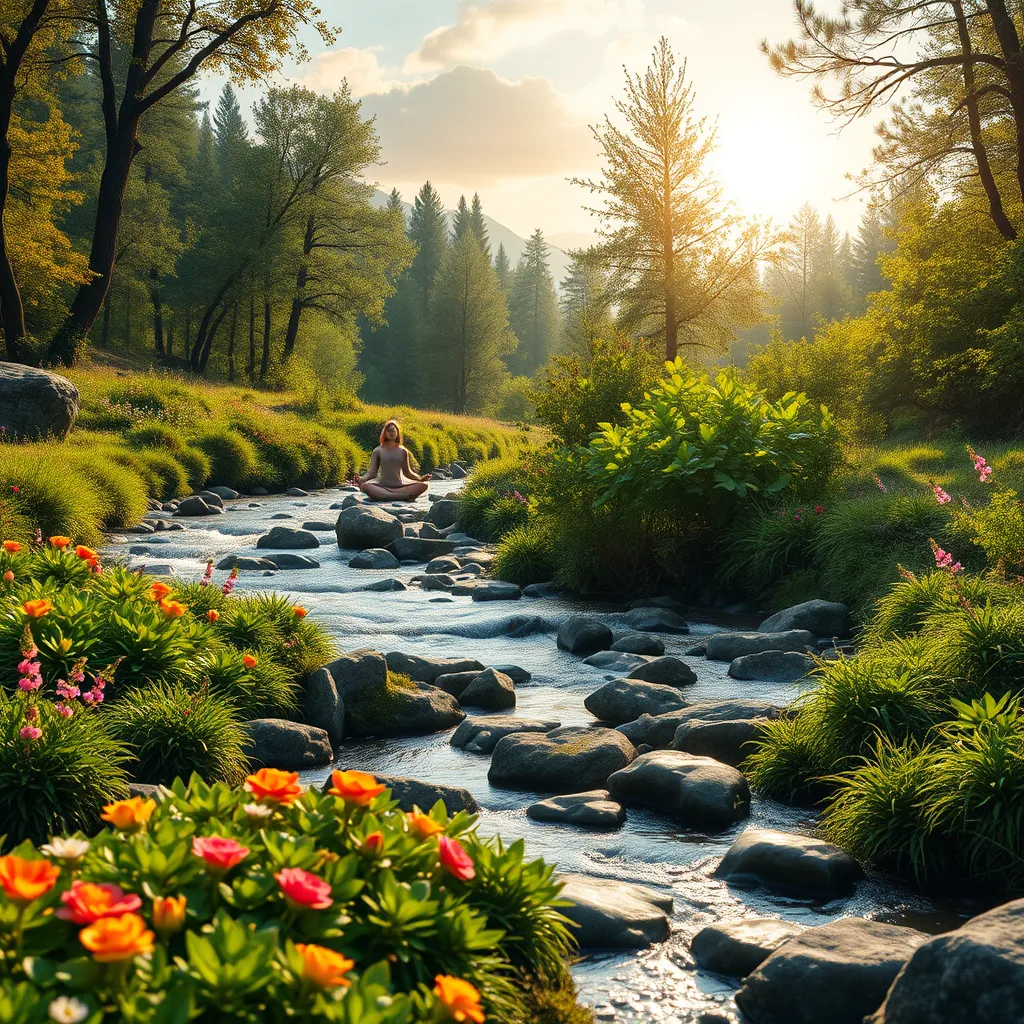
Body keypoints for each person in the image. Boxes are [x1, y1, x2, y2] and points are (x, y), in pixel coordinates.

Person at [353, 419, 431, 501]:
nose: (392, 433)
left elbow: (408, 472)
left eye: (394, 431)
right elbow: (371, 473)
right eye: (389, 431)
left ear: (397, 433)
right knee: (366, 486)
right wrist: (361, 480)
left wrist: (420, 479)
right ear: (384, 433)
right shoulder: (378, 451)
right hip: (382, 485)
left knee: (424, 485)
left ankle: (389, 496)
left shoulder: (403, 451)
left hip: (400, 486)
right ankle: (401, 497)